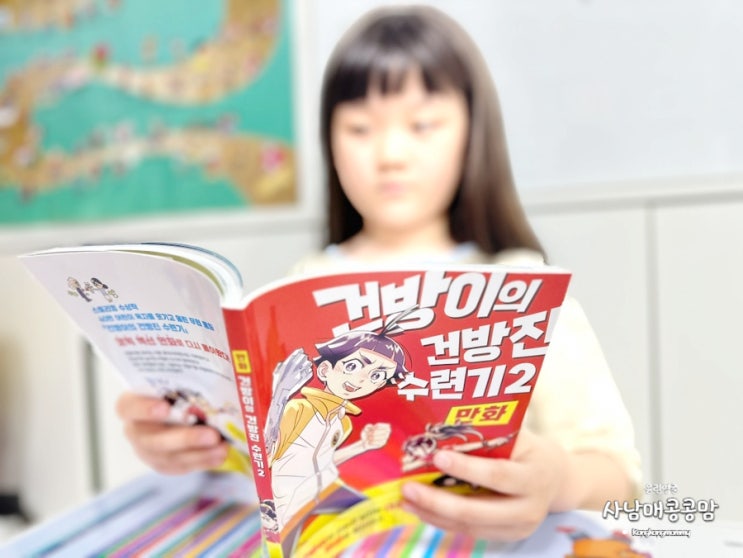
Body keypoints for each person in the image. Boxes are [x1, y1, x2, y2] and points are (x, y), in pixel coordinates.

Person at [115, 4, 641, 542]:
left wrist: (559, 480)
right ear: (330, 141)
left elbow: (618, 477)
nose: (391, 154)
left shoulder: (521, 288)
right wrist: (187, 438)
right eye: (360, 128)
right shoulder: (302, 285)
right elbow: (267, 459)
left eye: (423, 125)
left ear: (471, 131)